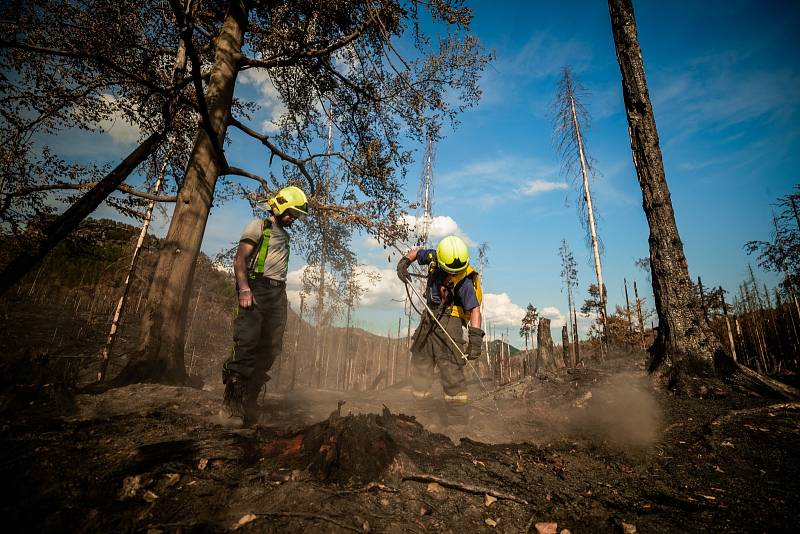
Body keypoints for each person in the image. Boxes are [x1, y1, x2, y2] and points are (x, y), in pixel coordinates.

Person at [220, 185, 309, 426]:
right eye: (291, 212)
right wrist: (244, 288)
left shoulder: (285, 235)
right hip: (255, 288)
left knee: (271, 347)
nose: (293, 218)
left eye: (296, 214)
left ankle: (250, 399)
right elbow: (240, 258)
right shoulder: (259, 226)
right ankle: (232, 405)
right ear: (279, 205)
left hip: (277, 293)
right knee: (247, 342)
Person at [396, 235, 485, 424]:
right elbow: (414, 253)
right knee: (421, 361)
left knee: (451, 369)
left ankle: (458, 422)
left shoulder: (465, 281)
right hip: (429, 316)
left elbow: (474, 310)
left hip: (450, 319)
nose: (454, 274)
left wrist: (476, 340)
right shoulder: (434, 257)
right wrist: (403, 263)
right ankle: (421, 415)